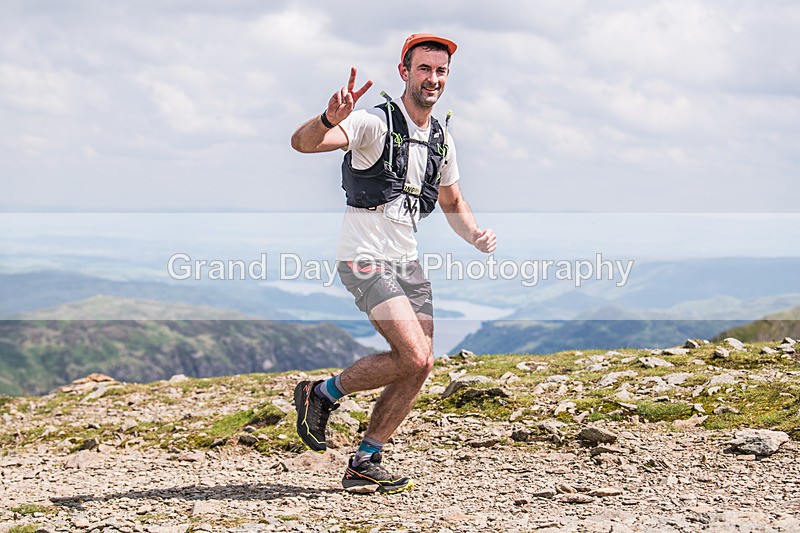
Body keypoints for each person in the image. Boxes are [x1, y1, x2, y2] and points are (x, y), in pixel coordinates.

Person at [290, 33, 496, 494]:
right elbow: (303, 143)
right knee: (415, 353)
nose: (433, 78)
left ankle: (366, 459)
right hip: (364, 259)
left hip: (408, 264)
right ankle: (322, 393)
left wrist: (475, 234)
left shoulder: (441, 138)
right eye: (424, 69)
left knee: (419, 366)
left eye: (440, 71)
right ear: (404, 73)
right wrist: (328, 118)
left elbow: (453, 201)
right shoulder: (371, 123)